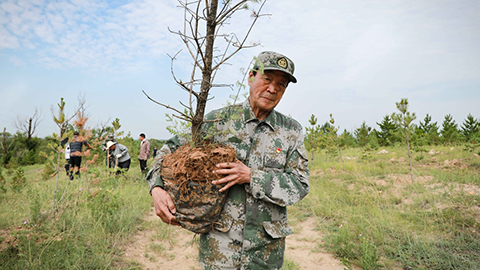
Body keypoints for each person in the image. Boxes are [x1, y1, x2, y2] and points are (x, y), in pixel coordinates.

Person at [147, 51, 310, 269]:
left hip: (265, 253)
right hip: (220, 248)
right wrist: (156, 188)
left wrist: (251, 176)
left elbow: (299, 184)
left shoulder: (291, 131)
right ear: (251, 77)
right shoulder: (218, 121)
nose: (272, 89)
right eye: (267, 79)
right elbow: (169, 150)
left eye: (281, 84)